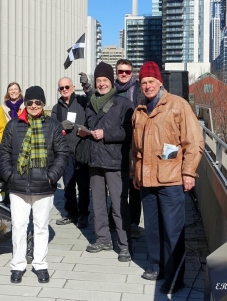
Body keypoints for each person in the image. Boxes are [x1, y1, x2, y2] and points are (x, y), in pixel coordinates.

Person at [131, 61, 203, 294]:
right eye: (144, 82)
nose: (148, 86)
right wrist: (135, 173)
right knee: (153, 228)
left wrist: (189, 172)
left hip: (171, 179)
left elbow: (194, 141)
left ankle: (175, 277)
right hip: (146, 179)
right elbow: (136, 148)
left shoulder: (177, 105)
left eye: (151, 81)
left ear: (160, 82)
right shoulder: (140, 110)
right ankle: (157, 266)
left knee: (173, 231)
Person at [0, 86, 69, 284]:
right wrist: (9, 175)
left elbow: (63, 153)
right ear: (25, 104)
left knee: (40, 226)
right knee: (19, 226)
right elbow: (4, 152)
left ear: (43, 104)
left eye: (38, 102)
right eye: (30, 102)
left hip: (43, 186)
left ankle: (40, 264)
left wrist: (51, 176)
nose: (34, 106)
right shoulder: (13, 125)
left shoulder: (53, 125)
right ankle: (18, 265)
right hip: (18, 185)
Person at [79, 61, 134, 262]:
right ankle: (103, 239)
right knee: (98, 204)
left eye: (105, 80)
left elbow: (129, 132)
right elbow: (89, 126)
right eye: (98, 80)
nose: (101, 83)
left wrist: (106, 134)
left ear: (111, 81)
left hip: (115, 161)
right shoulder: (91, 104)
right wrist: (83, 132)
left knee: (119, 206)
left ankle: (125, 245)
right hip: (95, 160)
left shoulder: (123, 104)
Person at [108, 59, 146, 239]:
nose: (123, 74)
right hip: (115, 142)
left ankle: (133, 223)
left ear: (132, 73)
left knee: (134, 186)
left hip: (135, 143)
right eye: (120, 71)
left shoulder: (139, 90)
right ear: (116, 72)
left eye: (127, 72)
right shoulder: (110, 90)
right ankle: (113, 220)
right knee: (115, 184)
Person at [53, 75, 91, 229]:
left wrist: (87, 86)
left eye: (67, 87)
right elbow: (52, 129)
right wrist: (60, 126)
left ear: (73, 88)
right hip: (66, 152)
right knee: (68, 185)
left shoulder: (82, 101)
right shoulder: (56, 108)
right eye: (61, 88)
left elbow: (93, 99)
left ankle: (84, 214)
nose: (64, 90)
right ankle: (71, 214)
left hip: (82, 149)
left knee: (83, 185)